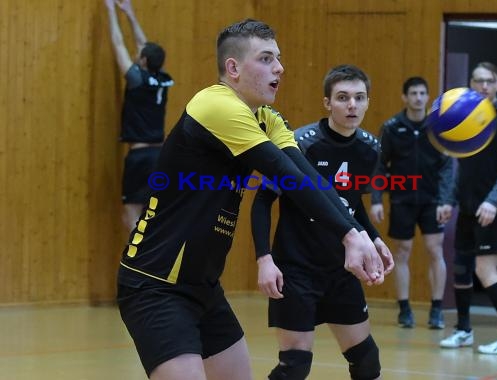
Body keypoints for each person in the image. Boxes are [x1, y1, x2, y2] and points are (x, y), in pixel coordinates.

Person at [116, 19, 385, 380]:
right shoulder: (215, 105)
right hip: (155, 283)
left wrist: (358, 233)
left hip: (205, 287)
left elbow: (310, 179)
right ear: (233, 68)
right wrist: (349, 236)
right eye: (266, 58)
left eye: (279, 58)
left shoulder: (267, 119)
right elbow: (283, 174)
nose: (280, 68)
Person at [251, 64, 394, 380]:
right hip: (297, 270)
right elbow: (262, 201)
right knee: (295, 367)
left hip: (341, 270)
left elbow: (350, 205)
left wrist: (374, 238)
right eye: (342, 98)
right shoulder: (300, 143)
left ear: (368, 101)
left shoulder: (371, 149)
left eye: (359, 97)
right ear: (327, 103)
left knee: (367, 362)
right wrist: (264, 258)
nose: (352, 105)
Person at [439, 62, 497, 354]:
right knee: (461, 270)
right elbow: (460, 165)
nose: (484, 87)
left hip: (494, 210)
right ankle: (464, 330)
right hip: (466, 207)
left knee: (485, 269)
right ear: (471, 85)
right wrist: (448, 200)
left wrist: (492, 200)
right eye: (478, 81)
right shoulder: (466, 119)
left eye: (489, 81)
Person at [369, 77, 453, 329]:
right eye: (413, 93)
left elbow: (447, 167)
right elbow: (379, 166)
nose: (418, 97)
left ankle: (436, 309)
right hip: (402, 199)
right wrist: (376, 200)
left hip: (432, 200)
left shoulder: (438, 126)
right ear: (404, 98)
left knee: (434, 250)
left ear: (428, 97)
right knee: (402, 252)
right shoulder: (392, 127)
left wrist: (445, 200)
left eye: (422, 93)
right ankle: (404, 309)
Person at [104, 0, 174, 231]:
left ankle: (136, 265)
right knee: (151, 217)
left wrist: (111, 10)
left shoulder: (136, 80)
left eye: (139, 54)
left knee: (131, 217)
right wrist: (131, 16)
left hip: (139, 157)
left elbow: (118, 44)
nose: (136, 53)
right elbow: (144, 45)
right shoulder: (162, 78)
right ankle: (152, 264)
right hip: (158, 156)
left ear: (143, 61)